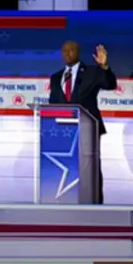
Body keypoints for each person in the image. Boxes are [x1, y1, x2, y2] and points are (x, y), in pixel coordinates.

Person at [48, 41, 116, 204]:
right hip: (63, 132)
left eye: (71, 50)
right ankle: (65, 201)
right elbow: (52, 104)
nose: (67, 53)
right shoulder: (56, 77)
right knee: (65, 169)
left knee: (90, 169)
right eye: (64, 51)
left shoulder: (92, 72)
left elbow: (110, 84)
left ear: (78, 52)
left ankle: (94, 205)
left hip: (88, 130)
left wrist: (104, 66)